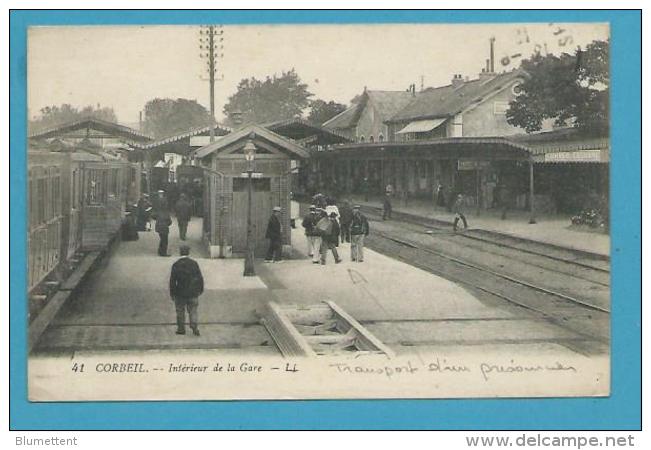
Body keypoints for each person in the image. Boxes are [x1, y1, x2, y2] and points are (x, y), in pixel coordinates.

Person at [169, 245, 204, 336]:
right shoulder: (194, 263)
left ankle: (181, 329)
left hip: (180, 292)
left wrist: (172, 293)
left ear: (180, 252)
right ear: (188, 252)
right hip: (193, 292)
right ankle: (194, 327)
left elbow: (172, 280)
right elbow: (199, 278)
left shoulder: (176, 264)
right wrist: (200, 289)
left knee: (180, 310)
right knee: (193, 310)